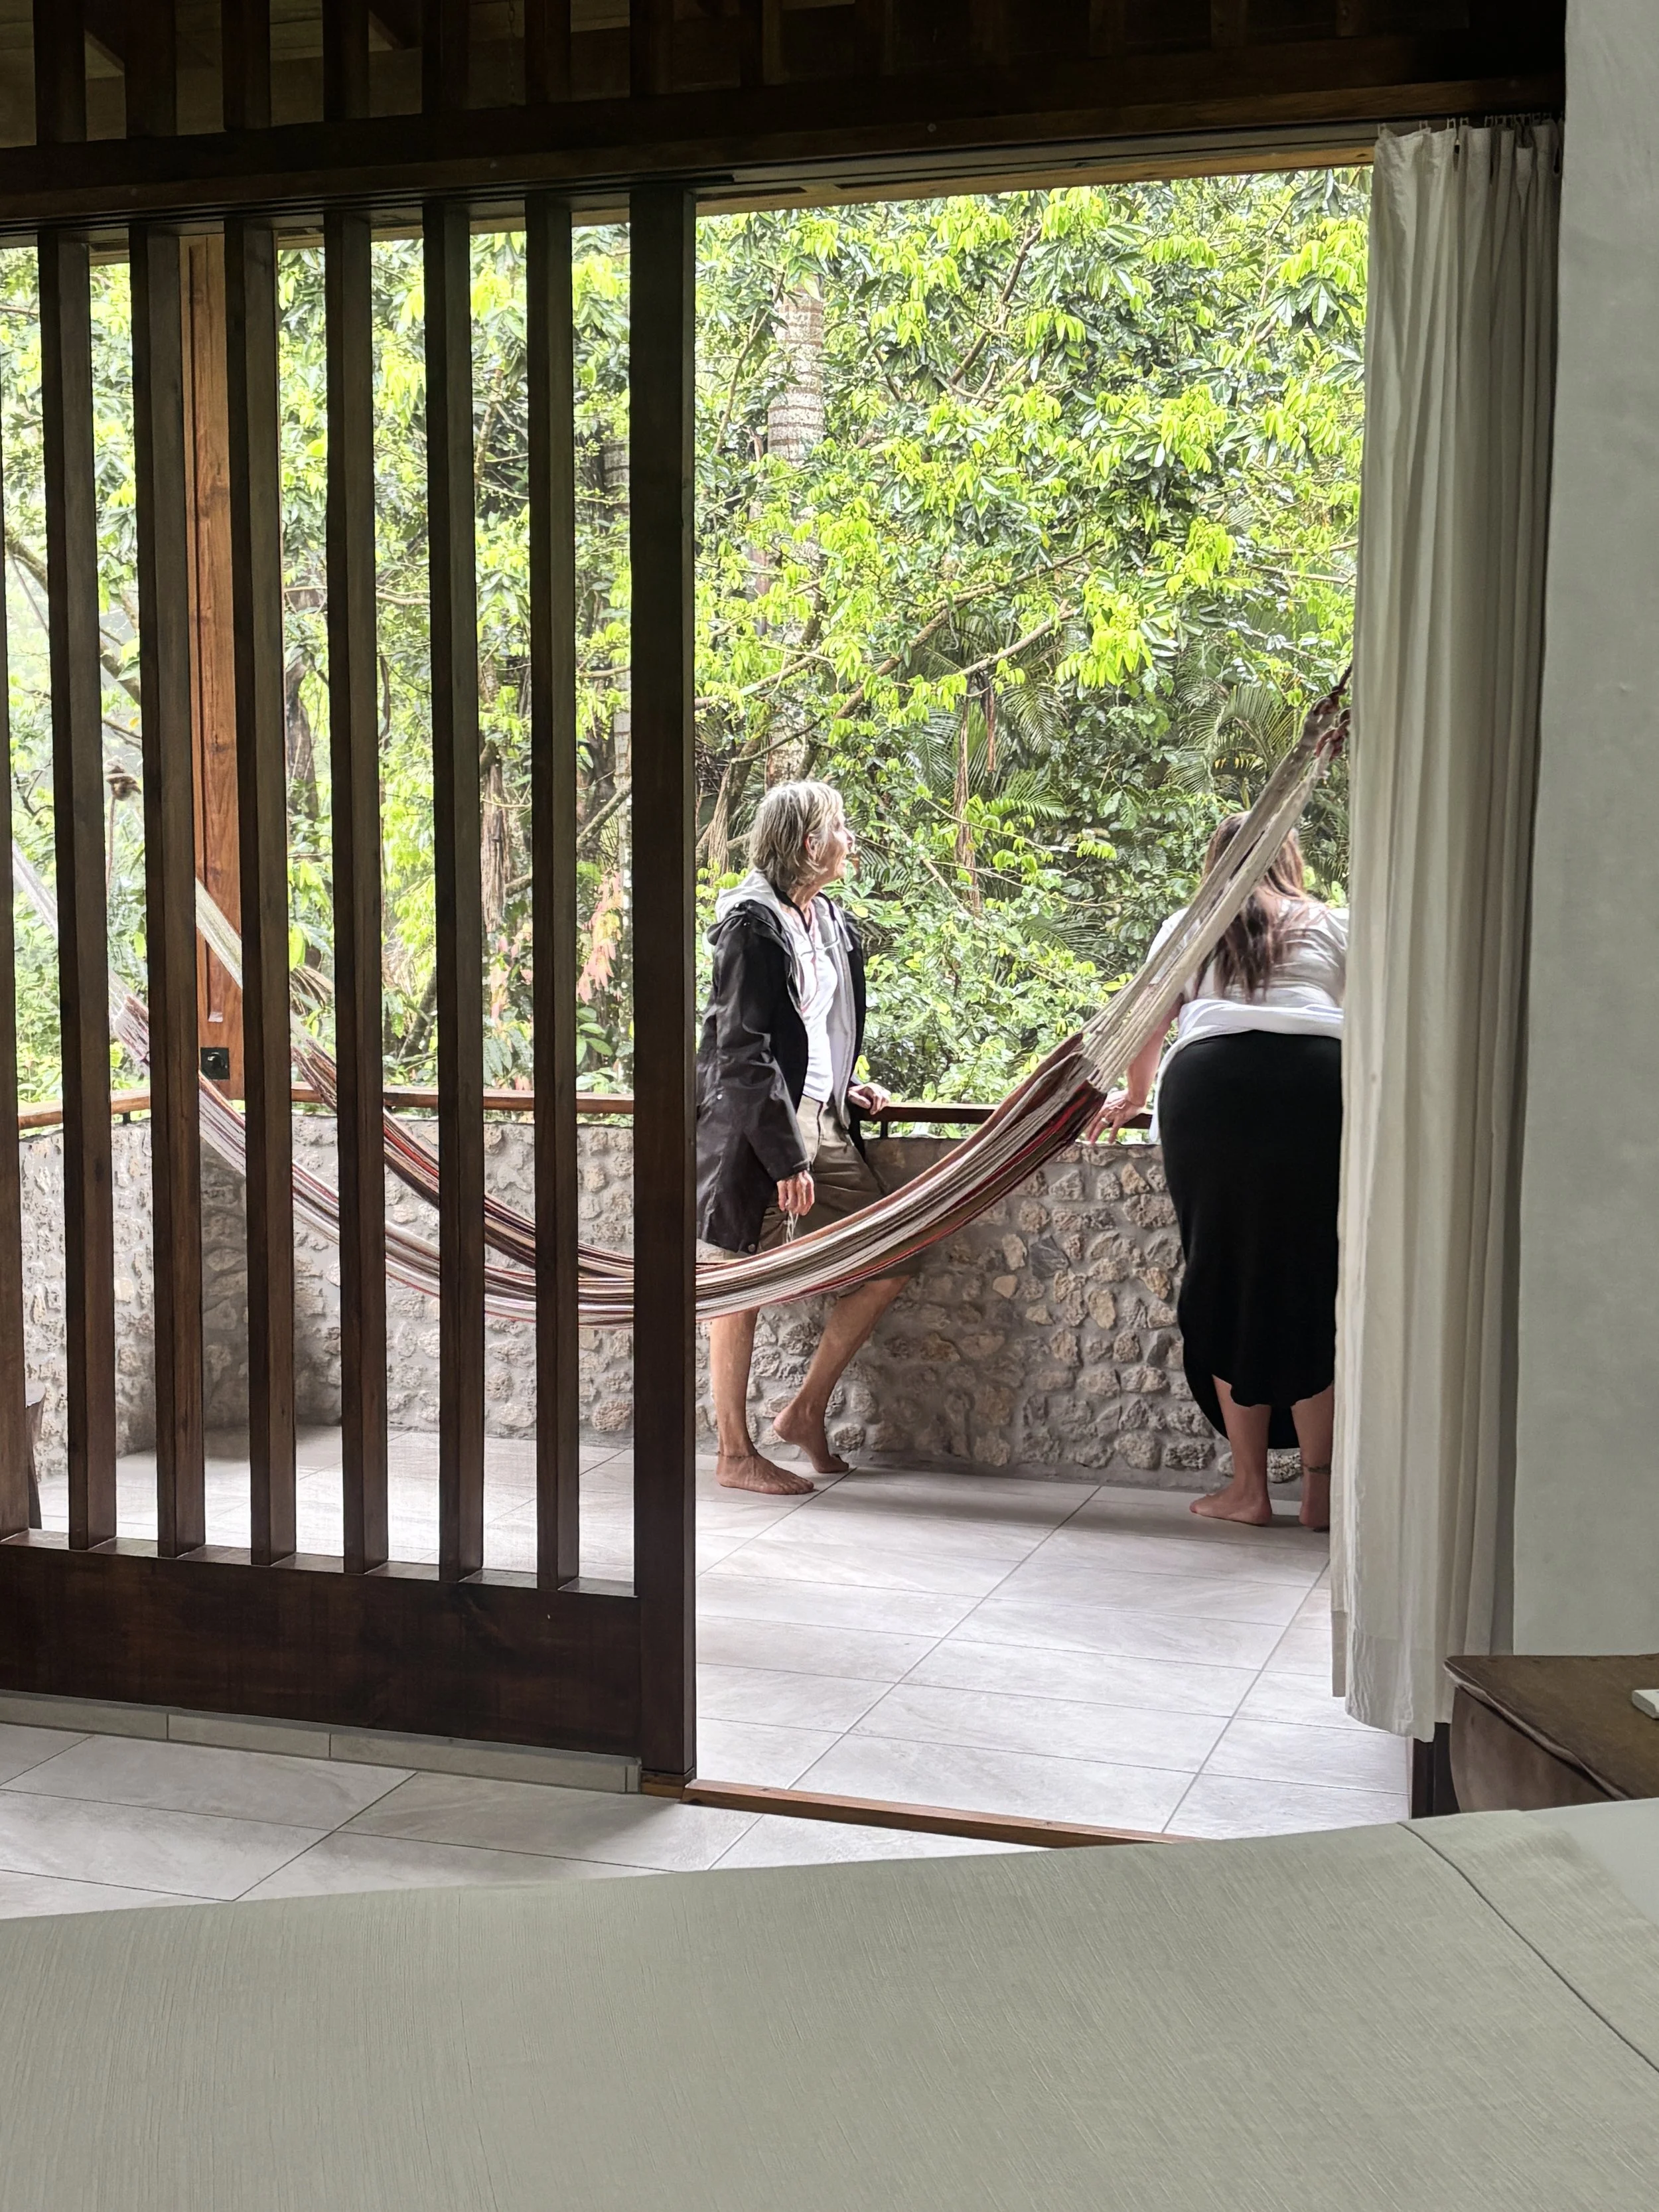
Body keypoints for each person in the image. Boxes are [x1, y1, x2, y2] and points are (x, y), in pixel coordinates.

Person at [1094, 821, 1345, 1530]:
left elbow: (1147, 1022)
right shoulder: (1335, 922)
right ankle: (1320, 1495)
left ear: (1217, 864)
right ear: (1291, 857)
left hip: (1213, 1089)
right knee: (1316, 1279)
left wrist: (1135, 1095)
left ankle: (1249, 1489)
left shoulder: (1191, 924)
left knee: (1225, 1275)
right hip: (1319, 1088)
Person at [696, 780, 916, 1495]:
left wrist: (843, 1083)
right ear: (806, 844)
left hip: (821, 1116)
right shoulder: (750, 925)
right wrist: (786, 1155)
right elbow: (742, 1048)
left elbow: (812, 1028)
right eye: (839, 827)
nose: (850, 839)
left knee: (894, 1255)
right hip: (760, 1130)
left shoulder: (825, 920)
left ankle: (804, 1411)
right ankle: (734, 1453)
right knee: (741, 1277)